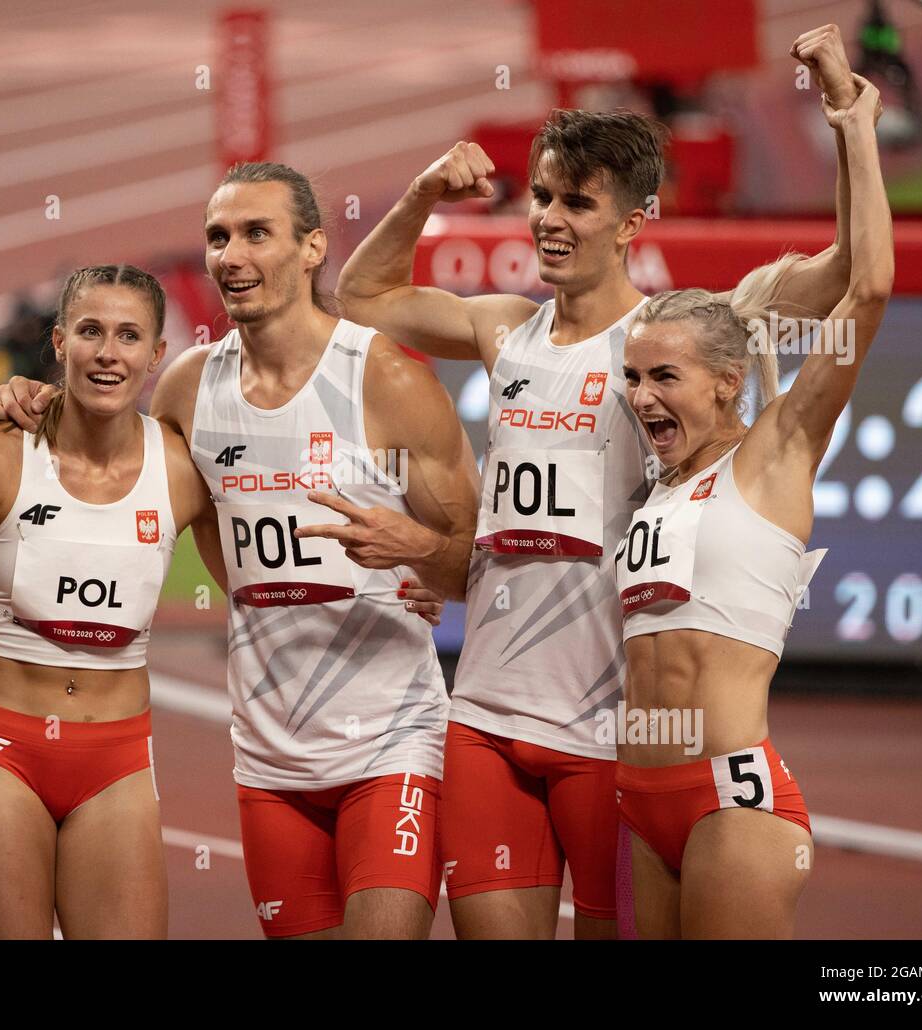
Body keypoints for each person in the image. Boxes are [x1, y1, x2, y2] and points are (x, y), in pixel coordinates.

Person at [334, 26, 862, 939]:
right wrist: (423, 193)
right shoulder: (506, 327)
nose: (548, 218)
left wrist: (845, 108)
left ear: (631, 222)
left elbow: (850, 276)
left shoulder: (671, 341)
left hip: (611, 729)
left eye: (576, 202)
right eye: (540, 196)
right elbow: (362, 297)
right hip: (488, 711)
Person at [0, 164, 480, 939]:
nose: (231, 255)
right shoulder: (189, 389)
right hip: (269, 759)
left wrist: (414, 545)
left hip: (391, 742)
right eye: (218, 237)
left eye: (257, 233)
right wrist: (36, 399)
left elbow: (478, 569)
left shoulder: (383, 379)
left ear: (314, 248)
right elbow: (114, 471)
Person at [614, 74, 890, 938]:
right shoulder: (654, 483)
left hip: (730, 799)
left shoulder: (776, 450)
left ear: (729, 382)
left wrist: (855, 127)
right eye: (632, 377)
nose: (641, 396)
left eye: (664, 377)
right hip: (641, 801)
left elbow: (867, 287)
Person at [0, 264, 216, 938]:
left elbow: (255, 581)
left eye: (128, 337)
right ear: (59, 343)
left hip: (117, 760)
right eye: (90, 331)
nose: (107, 353)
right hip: (2, 751)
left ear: (156, 356)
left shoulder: (181, 474)